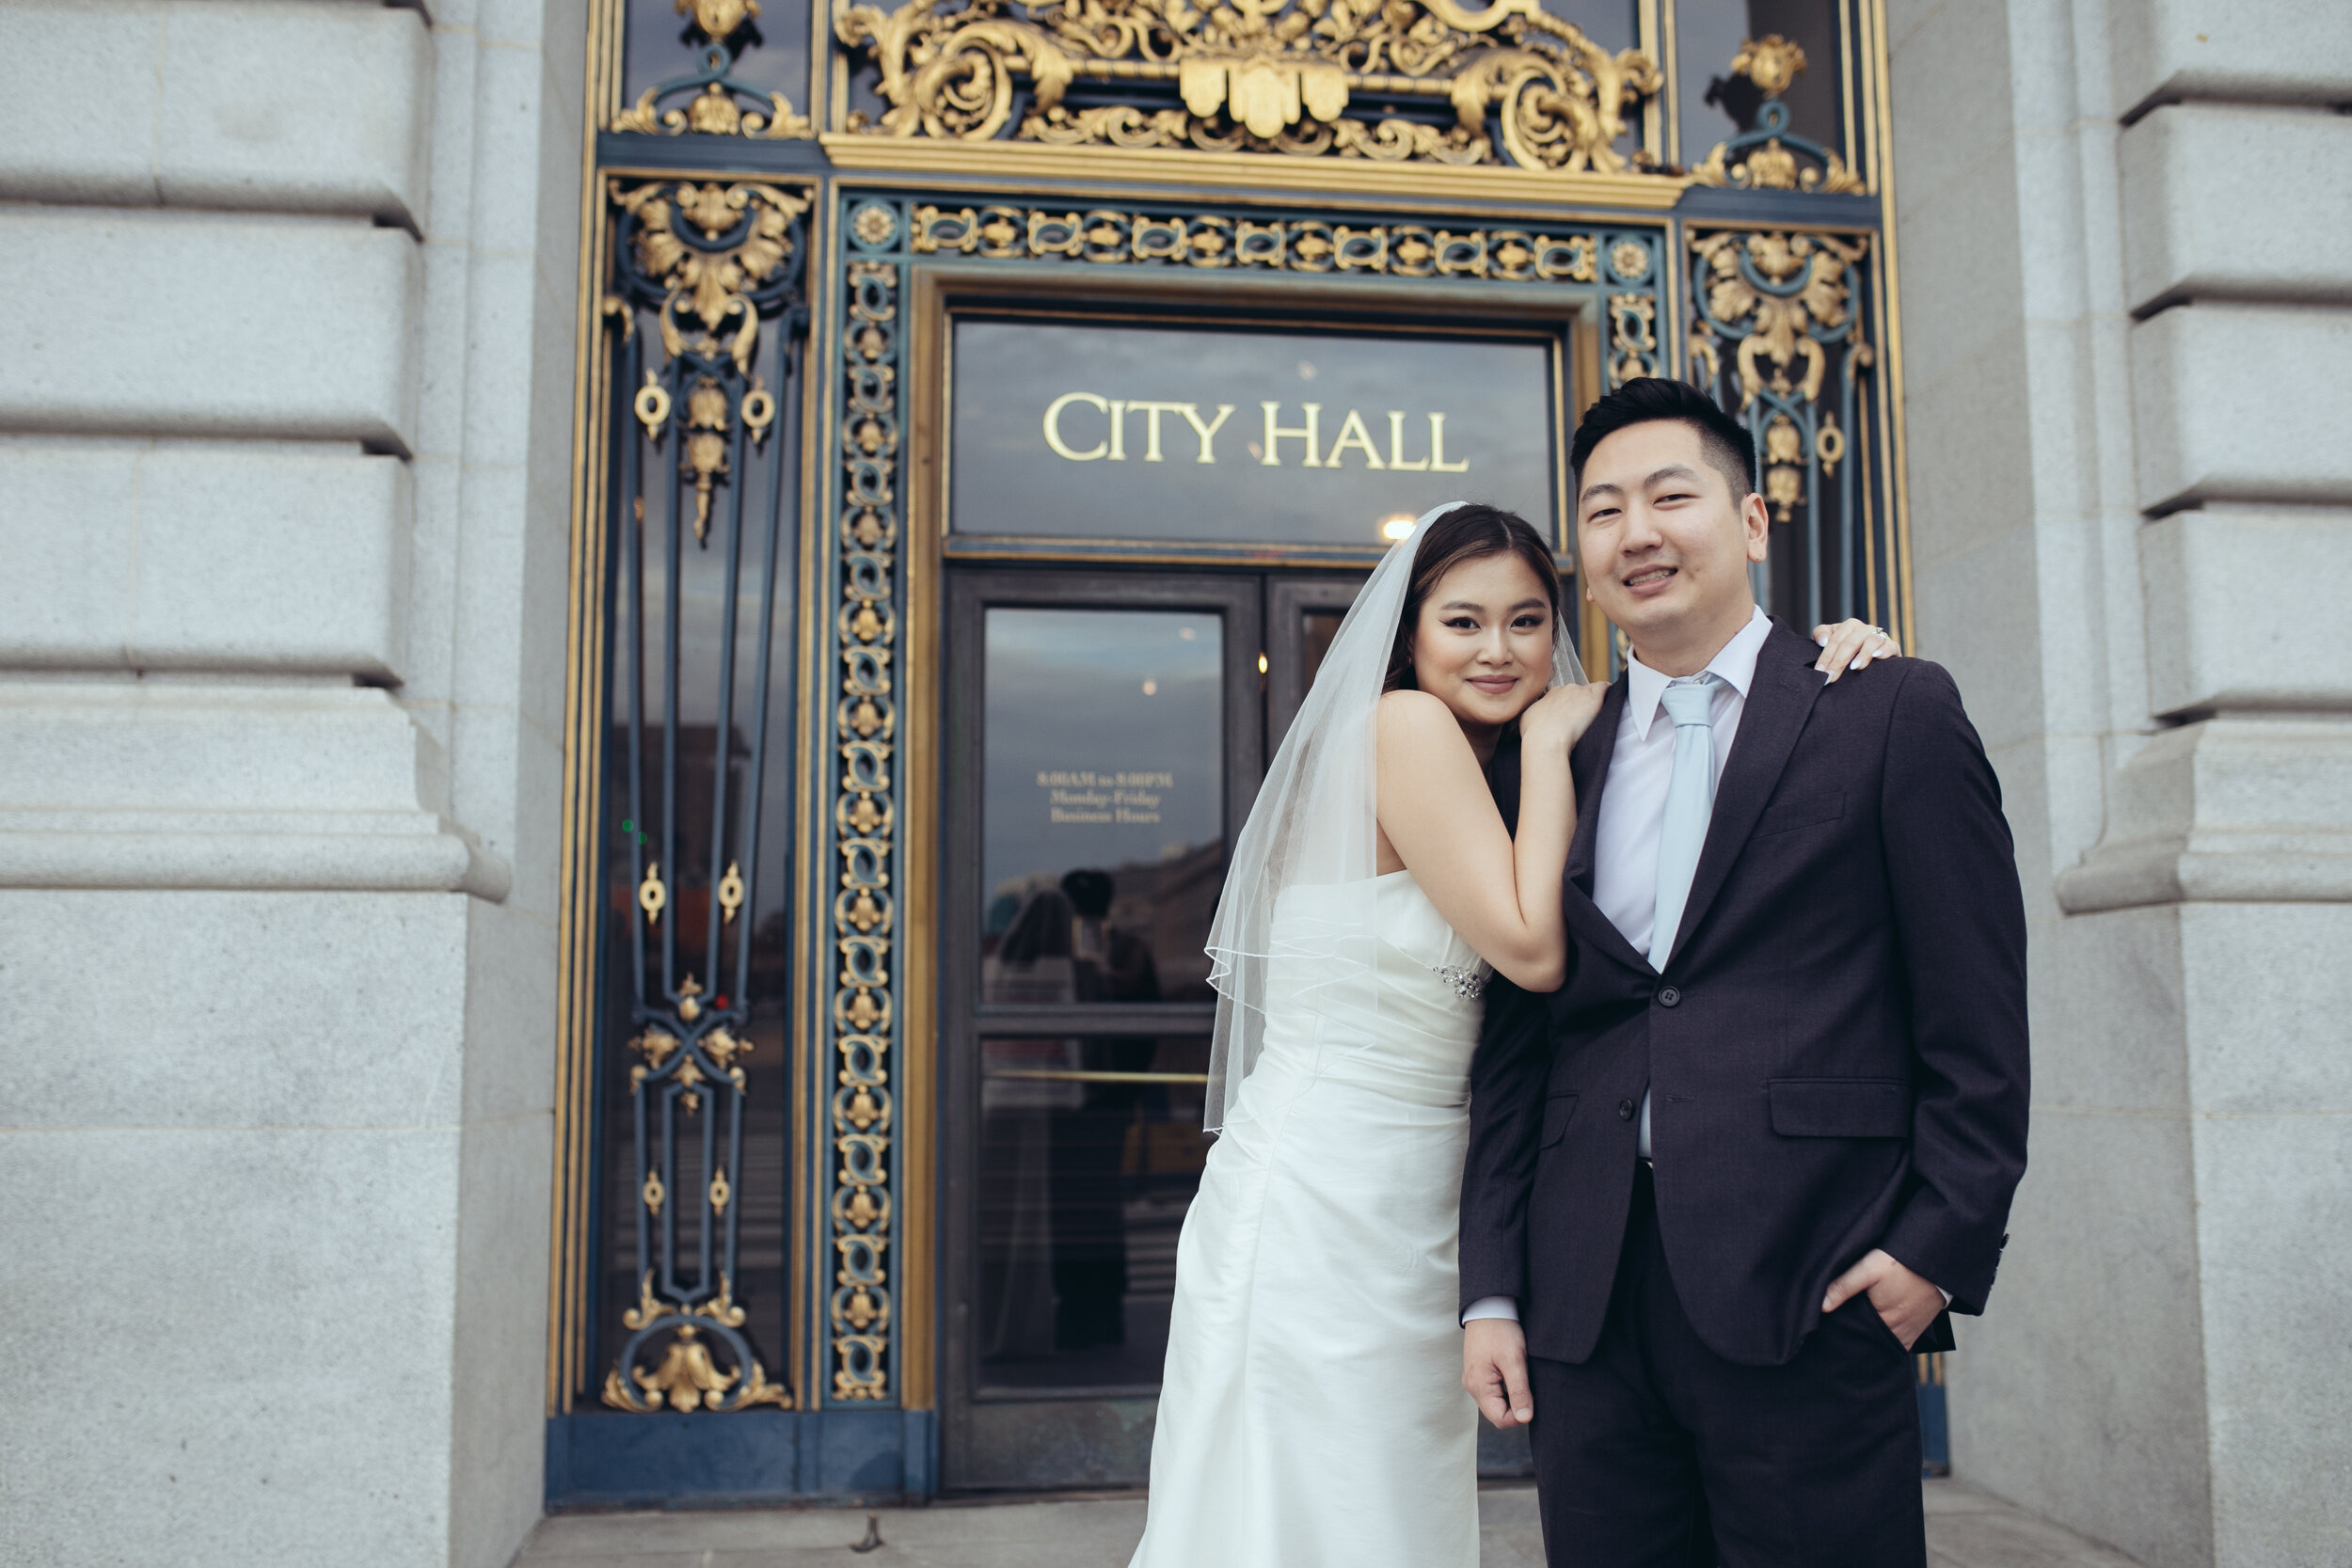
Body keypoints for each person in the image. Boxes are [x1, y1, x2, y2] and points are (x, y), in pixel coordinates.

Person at [1126, 499, 1898, 1568]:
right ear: (1410, 636)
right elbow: (1533, 952)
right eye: (1463, 622)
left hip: (1422, 1204)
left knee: (1390, 1505)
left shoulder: (1499, 768)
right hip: (1321, 1196)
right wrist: (1545, 741)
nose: (1499, 650)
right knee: (1307, 1506)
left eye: (1526, 621)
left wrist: (1830, 654)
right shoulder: (1404, 728)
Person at [1458, 378, 2030, 1568]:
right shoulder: (1559, 748)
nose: (1638, 532)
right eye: (1604, 510)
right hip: (1587, 1300)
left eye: (1671, 497)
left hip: (1812, 1284)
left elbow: (1975, 1014)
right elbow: (1518, 1048)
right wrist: (1493, 1292)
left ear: (1754, 521)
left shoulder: (1889, 710)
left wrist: (1935, 1247)